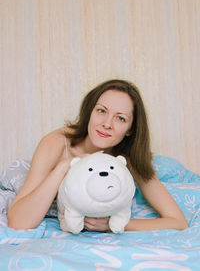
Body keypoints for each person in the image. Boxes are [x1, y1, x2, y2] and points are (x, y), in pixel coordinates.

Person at [8, 79, 188, 231]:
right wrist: (64, 167)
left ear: (130, 130)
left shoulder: (127, 158)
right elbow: (19, 222)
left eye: (120, 118)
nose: (107, 124)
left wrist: (113, 225)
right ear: (90, 112)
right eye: (101, 111)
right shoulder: (56, 143)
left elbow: (178, 222)